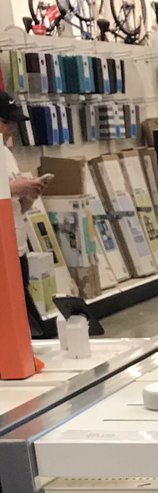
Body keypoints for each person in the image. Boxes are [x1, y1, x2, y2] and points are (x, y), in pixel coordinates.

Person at [0, 92, 51, 339]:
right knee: (26, 321)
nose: (11, 128)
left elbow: (13, 204)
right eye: (6, 121)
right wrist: (15, 188)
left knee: (23, 309)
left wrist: (28, 198)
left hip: (16, 245)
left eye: (13, 122)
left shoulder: (6, 154)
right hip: (3, 250)